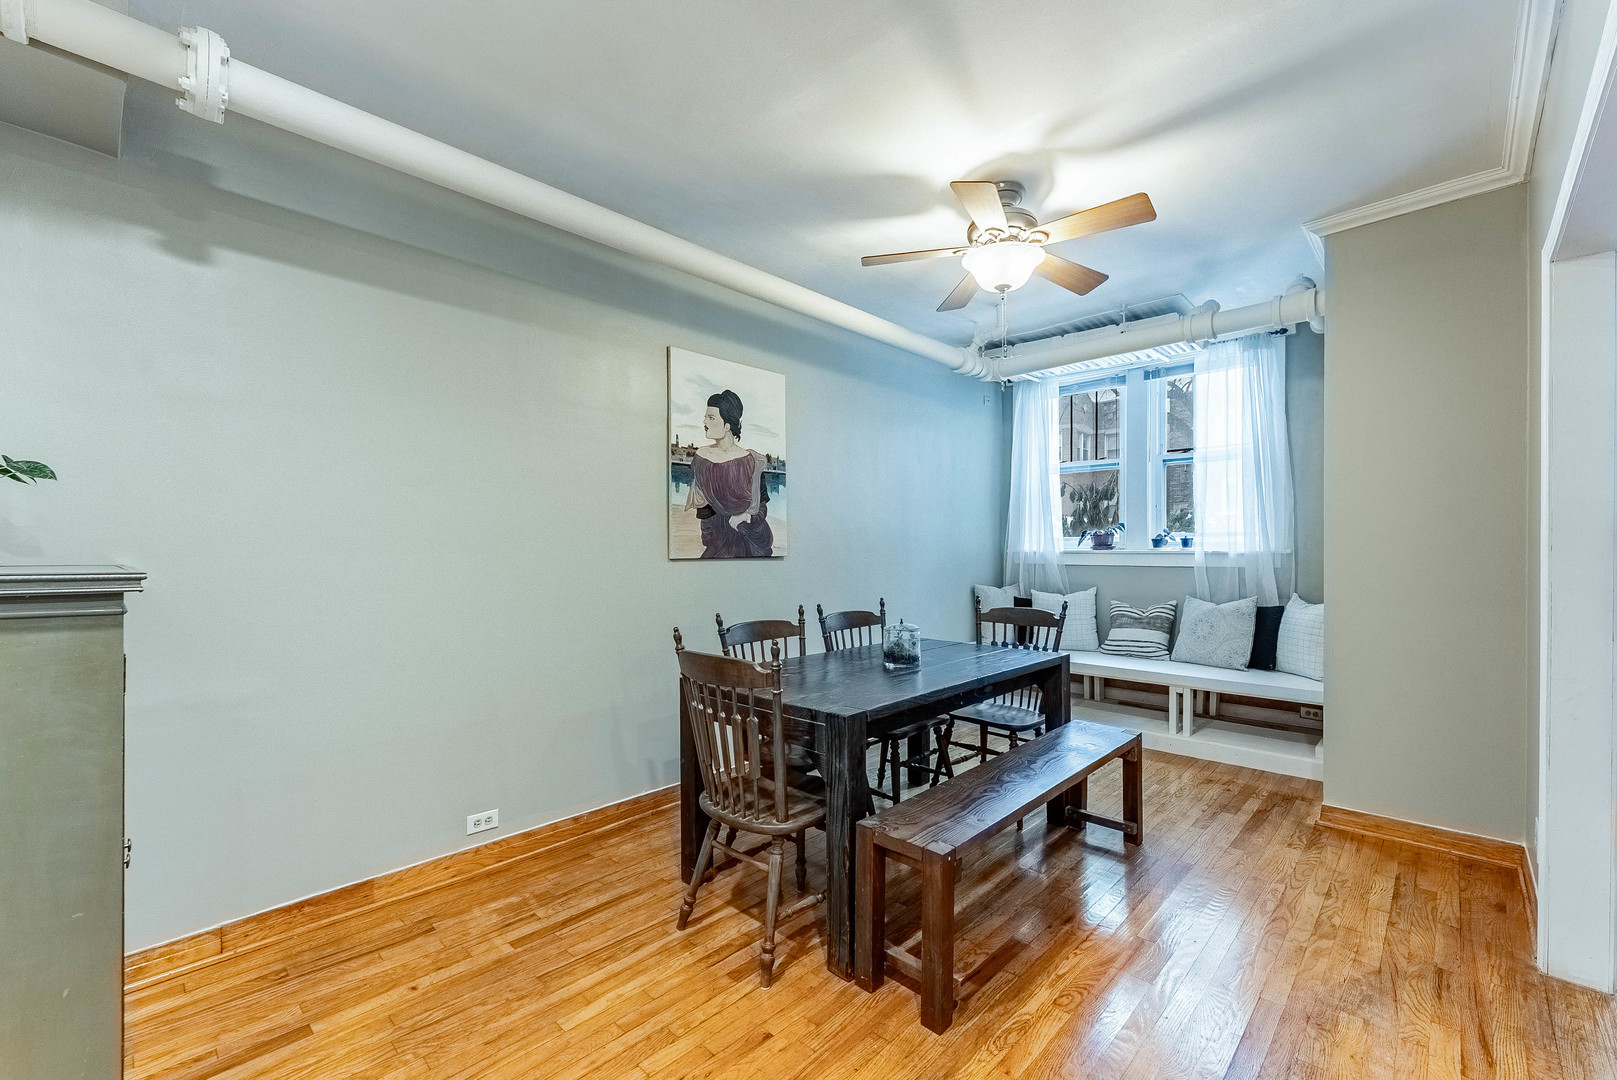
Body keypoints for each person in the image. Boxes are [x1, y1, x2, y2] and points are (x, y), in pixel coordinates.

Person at [685, 389, 773, 558]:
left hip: (751, 539)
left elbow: (761, 506)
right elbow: (704, 512)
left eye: (711, 418)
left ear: (727, 426)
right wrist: (710, 539)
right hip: (718, 543)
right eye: (706, 417)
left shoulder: (753, 461)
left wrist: (746, 516)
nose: (704, 421)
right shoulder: (701, 458)